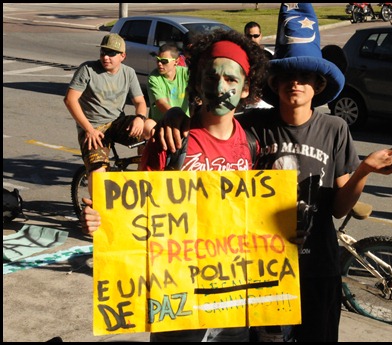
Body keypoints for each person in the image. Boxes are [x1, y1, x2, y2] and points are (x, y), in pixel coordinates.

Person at [158, 3, 392, 342]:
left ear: (318, 85)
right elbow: (214, 124)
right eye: (287, 77)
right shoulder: (251, 127)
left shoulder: (335, 128)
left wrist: (364, 170)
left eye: (306, 77)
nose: (296, 84)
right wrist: (176, 114)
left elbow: (339, 208)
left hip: (317, 267)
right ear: (274, 83)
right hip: (263, 267)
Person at [82, 28, 269, 342]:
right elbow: (136, 211)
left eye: (232, 80)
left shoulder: (253, 144)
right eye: (211, 77)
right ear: (196, 82)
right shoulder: (170, 142)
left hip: (231, 295)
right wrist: (104, 221)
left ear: (246, 88)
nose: (221, 87)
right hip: (176, 294)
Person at [64, 33, 148, 197]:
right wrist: (88, 129)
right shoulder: (87, 69)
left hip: (117, 123)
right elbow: (70, 100)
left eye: (111, 53)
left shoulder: (128, 73)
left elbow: (140, 102)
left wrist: (140, 118)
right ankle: (99, 211)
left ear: (123, 56)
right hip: (93, 129)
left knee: (150, 128)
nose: (106, 57)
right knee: (98, 173)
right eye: (103, 52)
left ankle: (143, 183)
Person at [148, 43, 190, 122]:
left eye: (164, 61)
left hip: (184, 122)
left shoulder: (186, 73)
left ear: (176, 61)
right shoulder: (153, 78)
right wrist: (180, 120)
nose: (159, 64)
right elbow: (161, 103)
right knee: (148, 124)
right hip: (162, 123)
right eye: (158, 60)